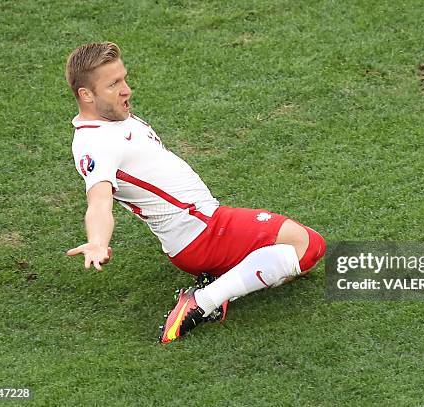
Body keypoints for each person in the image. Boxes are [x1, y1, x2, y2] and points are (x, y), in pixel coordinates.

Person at [64, 42, 326, 343]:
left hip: (200, 225)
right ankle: (203, 302)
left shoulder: (112, 118)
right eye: (113, 85)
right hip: (201, 231)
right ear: (86, 95)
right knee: (308, 247)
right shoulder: (95, 145)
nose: (127, 90)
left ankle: (217, 278)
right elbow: (99, 201)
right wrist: (97, 243)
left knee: (293, 258)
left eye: (124, 78)